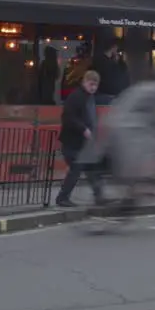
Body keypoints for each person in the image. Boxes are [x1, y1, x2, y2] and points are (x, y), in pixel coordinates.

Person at [85, 71, 155, 205]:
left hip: (120, 124)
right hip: (125, 128)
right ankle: (141, 188)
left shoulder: (144, 88)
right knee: (152, 147)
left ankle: (133, 192)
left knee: (145, 147)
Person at [56, 70, 104, 207]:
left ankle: (99, 197)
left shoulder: (89, 98)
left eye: (96, 85)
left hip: (83, 143)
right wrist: (83, 129)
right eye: (91, 84)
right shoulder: (76, 97)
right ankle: (62, 198)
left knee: (91, 169)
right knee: (77, 169)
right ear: (84, 82)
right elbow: (68, 117)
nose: (93, 87)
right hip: (73, 142)